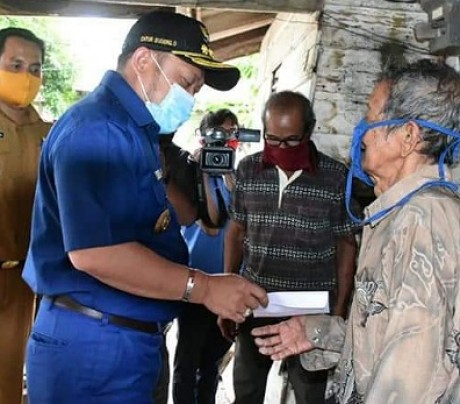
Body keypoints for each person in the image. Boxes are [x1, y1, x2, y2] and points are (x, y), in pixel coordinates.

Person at [22, 11, 267, 403]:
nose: (190, 98)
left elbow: (173, 219)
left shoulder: (136, 133)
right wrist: (203, 287)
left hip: (122, 339)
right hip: (94, 346)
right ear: (143, 60)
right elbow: (95, 253)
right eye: (187, 83)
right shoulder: (99, 129)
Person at [252, 60, 460, 403]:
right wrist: (319, 331)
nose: (361, 131)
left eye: (370, 117)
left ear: (408, 136)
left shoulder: (421, 223)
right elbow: (389, 333)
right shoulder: (407, 211)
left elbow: (407, 383)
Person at [222, 90, 358, 404]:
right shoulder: (247, 170)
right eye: (273, 139)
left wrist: (336, 314)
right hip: (257, 302)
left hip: (312, 311)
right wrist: (227, 291)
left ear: (309, 132)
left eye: (292, 140)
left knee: (312, 395)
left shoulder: (335, 178)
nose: (281, 148)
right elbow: (236, 230)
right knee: (247, 391)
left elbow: (346, 245)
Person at [164, 109, 239, 404]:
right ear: (204, 137)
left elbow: (241, 220)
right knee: (187, 361)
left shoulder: (237, 175)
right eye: (219, 134)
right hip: (196, 280)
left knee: (212, 363)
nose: (225, 142)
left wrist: (229, 175)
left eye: (232, 134)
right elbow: (210, 224)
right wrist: (205, 176)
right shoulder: (190, 172)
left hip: (228, 277)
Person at [0, 27, 50, 404]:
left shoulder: (48, 134)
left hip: (23, 279)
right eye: (15, 65)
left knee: (9, 376)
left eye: (34, 68)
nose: (26, 78)